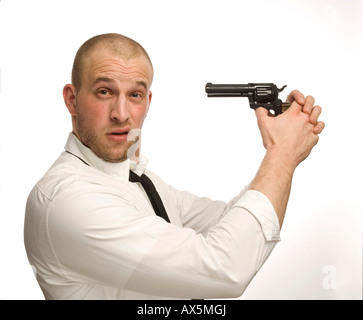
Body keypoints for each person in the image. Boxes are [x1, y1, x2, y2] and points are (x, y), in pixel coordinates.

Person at [24, 33, 325, 300]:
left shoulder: (139, 180)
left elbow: (232, 225)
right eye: (105, 91)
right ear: (71, 99)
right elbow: (227, 269)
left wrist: (284, 149)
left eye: (135, 95)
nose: (121, 114)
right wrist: (282, 153)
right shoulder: (68, 199)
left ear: (148, 101)